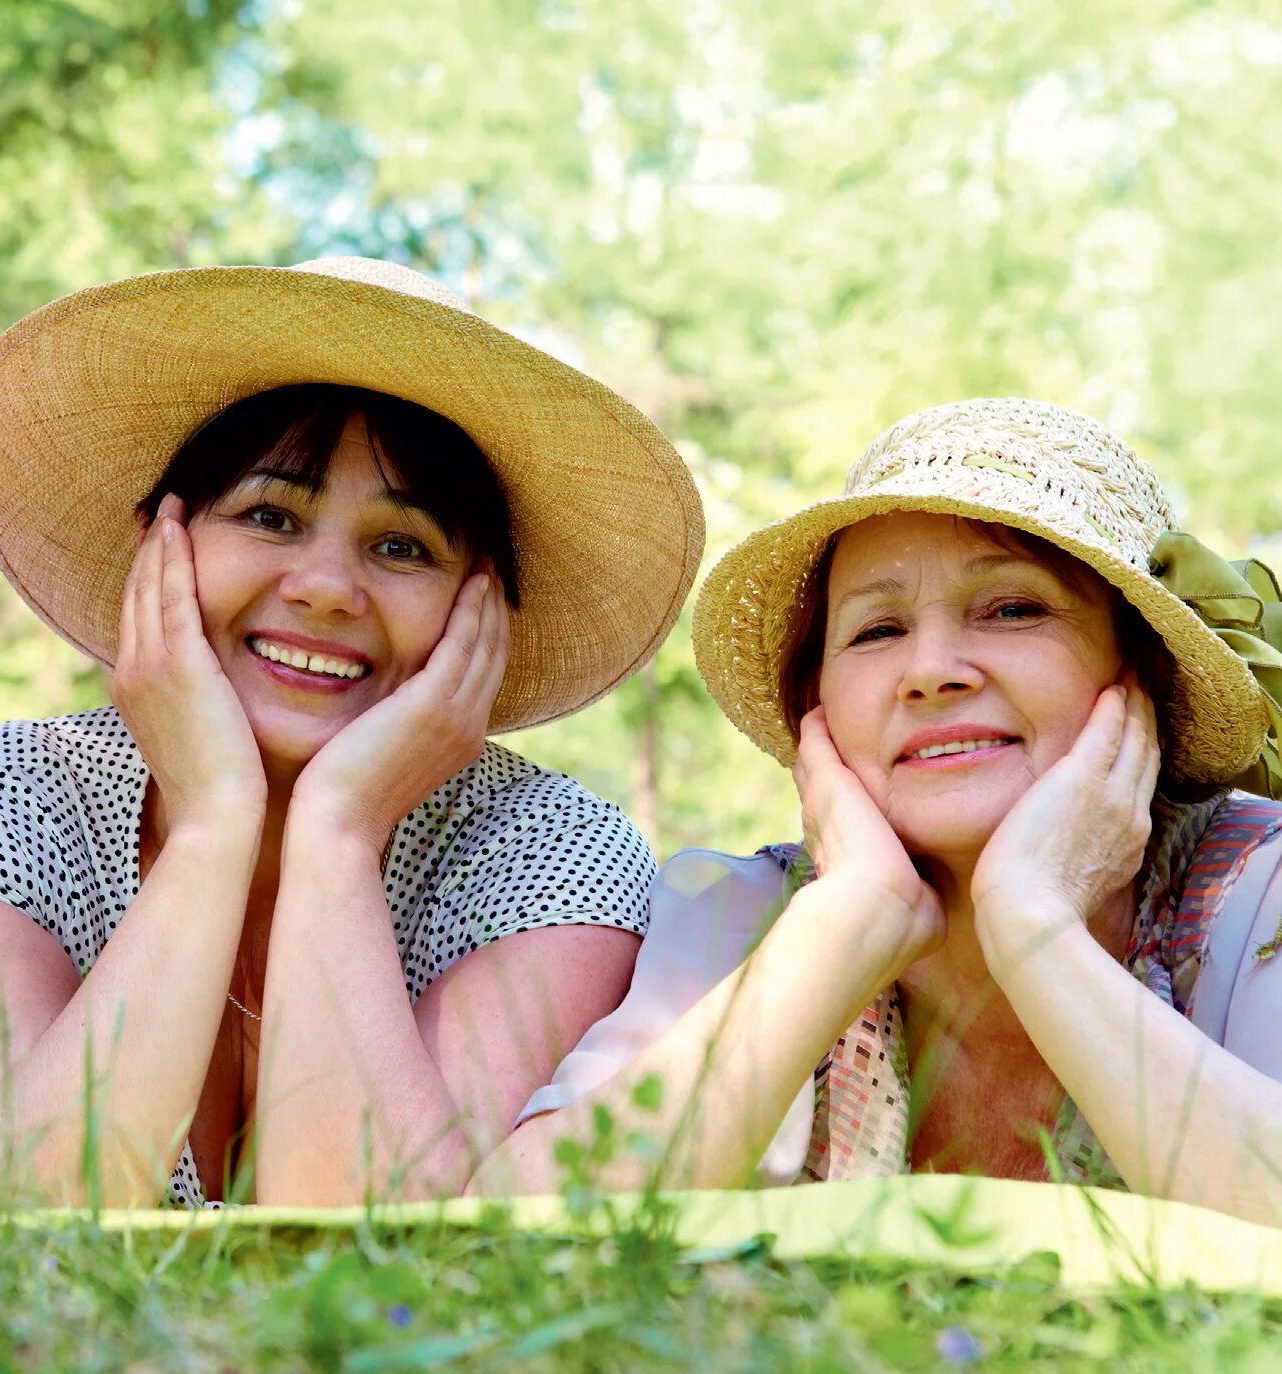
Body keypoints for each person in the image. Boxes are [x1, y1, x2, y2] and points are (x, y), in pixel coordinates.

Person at [0, 257, 705, 1207]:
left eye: (401, 546)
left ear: (474, 601)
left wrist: (339, 831)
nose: (325, 587)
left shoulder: (554, 850)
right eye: (270, 515)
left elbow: (381, 1253)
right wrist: (211, 822)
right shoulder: (1, 793)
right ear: (166, 545)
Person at [472, 399, 1282, 1226]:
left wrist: (1030, 926)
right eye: (875, 629)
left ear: (1138, 675)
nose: (930, 671)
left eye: (1011, 608)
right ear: (813, 706)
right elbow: (506, 1231)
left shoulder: (1255, 892)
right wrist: (851, 920)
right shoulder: (740, 912)